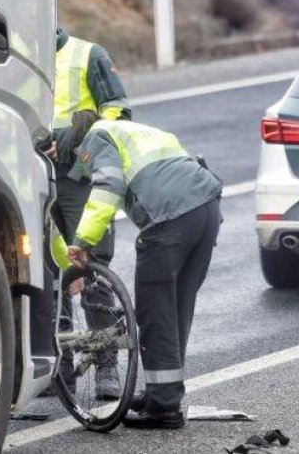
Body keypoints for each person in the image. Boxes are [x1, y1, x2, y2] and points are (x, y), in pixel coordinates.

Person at [58, 110, 221, 429]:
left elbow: (107, 185)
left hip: (169, 220)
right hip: (207, 210)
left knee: (154, 310)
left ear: (78, 147)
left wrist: (82, 242)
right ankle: (163, 393)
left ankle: (163, 408)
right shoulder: (141, 132)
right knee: (176, 307)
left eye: (81, 160)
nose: (84, 166)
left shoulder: (97, 137)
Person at [50, 27, 131, 397]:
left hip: (77, 178)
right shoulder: (10, 57)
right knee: (49, 274)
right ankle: (58, 367)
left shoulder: (87, 54)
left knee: (91, 266)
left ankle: (106, 369)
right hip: (29, 176)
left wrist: (71, 142)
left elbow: (117, 113)